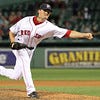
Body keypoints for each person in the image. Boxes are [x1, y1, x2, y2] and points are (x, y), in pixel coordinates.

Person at [0, 3, 93, 99]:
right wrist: (12, 43)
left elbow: (68, 33)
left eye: (48, 12)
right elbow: (11, 31)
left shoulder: (49, 27)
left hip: (30, 49)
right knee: (25, 63)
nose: (47, 13)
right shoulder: (25, 20)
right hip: (19, 46)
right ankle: (31, 91)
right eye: (45, 10)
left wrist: (84, 35)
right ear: (39, 11)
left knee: (16, 76)